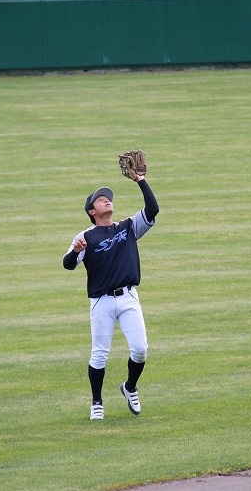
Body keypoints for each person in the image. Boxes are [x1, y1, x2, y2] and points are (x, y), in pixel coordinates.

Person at [63, 172, 159, 420]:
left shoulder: (128, 227)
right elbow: (68, 264)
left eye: (107, 198)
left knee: (140, 349)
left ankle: (130, 387)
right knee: (99, 354)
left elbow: (153, 209)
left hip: (128, 298)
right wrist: (74, 251)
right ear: (91, 211)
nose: (106, 200)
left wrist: (141, 181)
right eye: (100, 199)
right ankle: (96, 402)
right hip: (101, 302)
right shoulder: (85, 237)